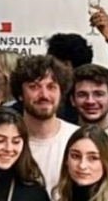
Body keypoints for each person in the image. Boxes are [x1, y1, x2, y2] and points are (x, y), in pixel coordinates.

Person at [13, 55, 78, 193]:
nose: (44, 95)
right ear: (20, 94)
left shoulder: (78, 138)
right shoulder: (8, 142)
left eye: (51, 87)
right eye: (34, 87)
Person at [70, 64, 108, 130]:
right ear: (72, 100)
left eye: (98, 94)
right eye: (82, 95)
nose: (90, 101)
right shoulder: (65, 135)